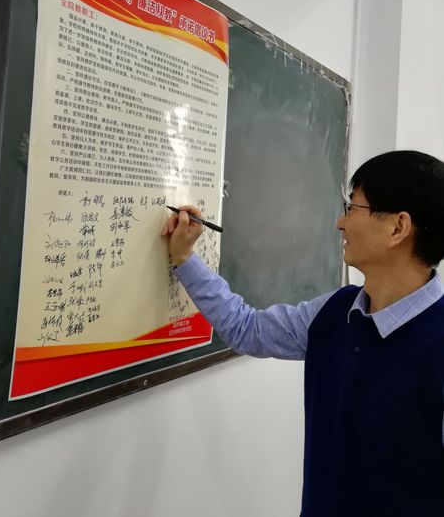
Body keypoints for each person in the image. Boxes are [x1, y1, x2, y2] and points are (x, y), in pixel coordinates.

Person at [161, 150, 444, 517]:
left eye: (352, 208)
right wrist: (185, 258)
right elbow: (246, 329)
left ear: (397, 228)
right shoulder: (334, 313)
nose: (339, 223)